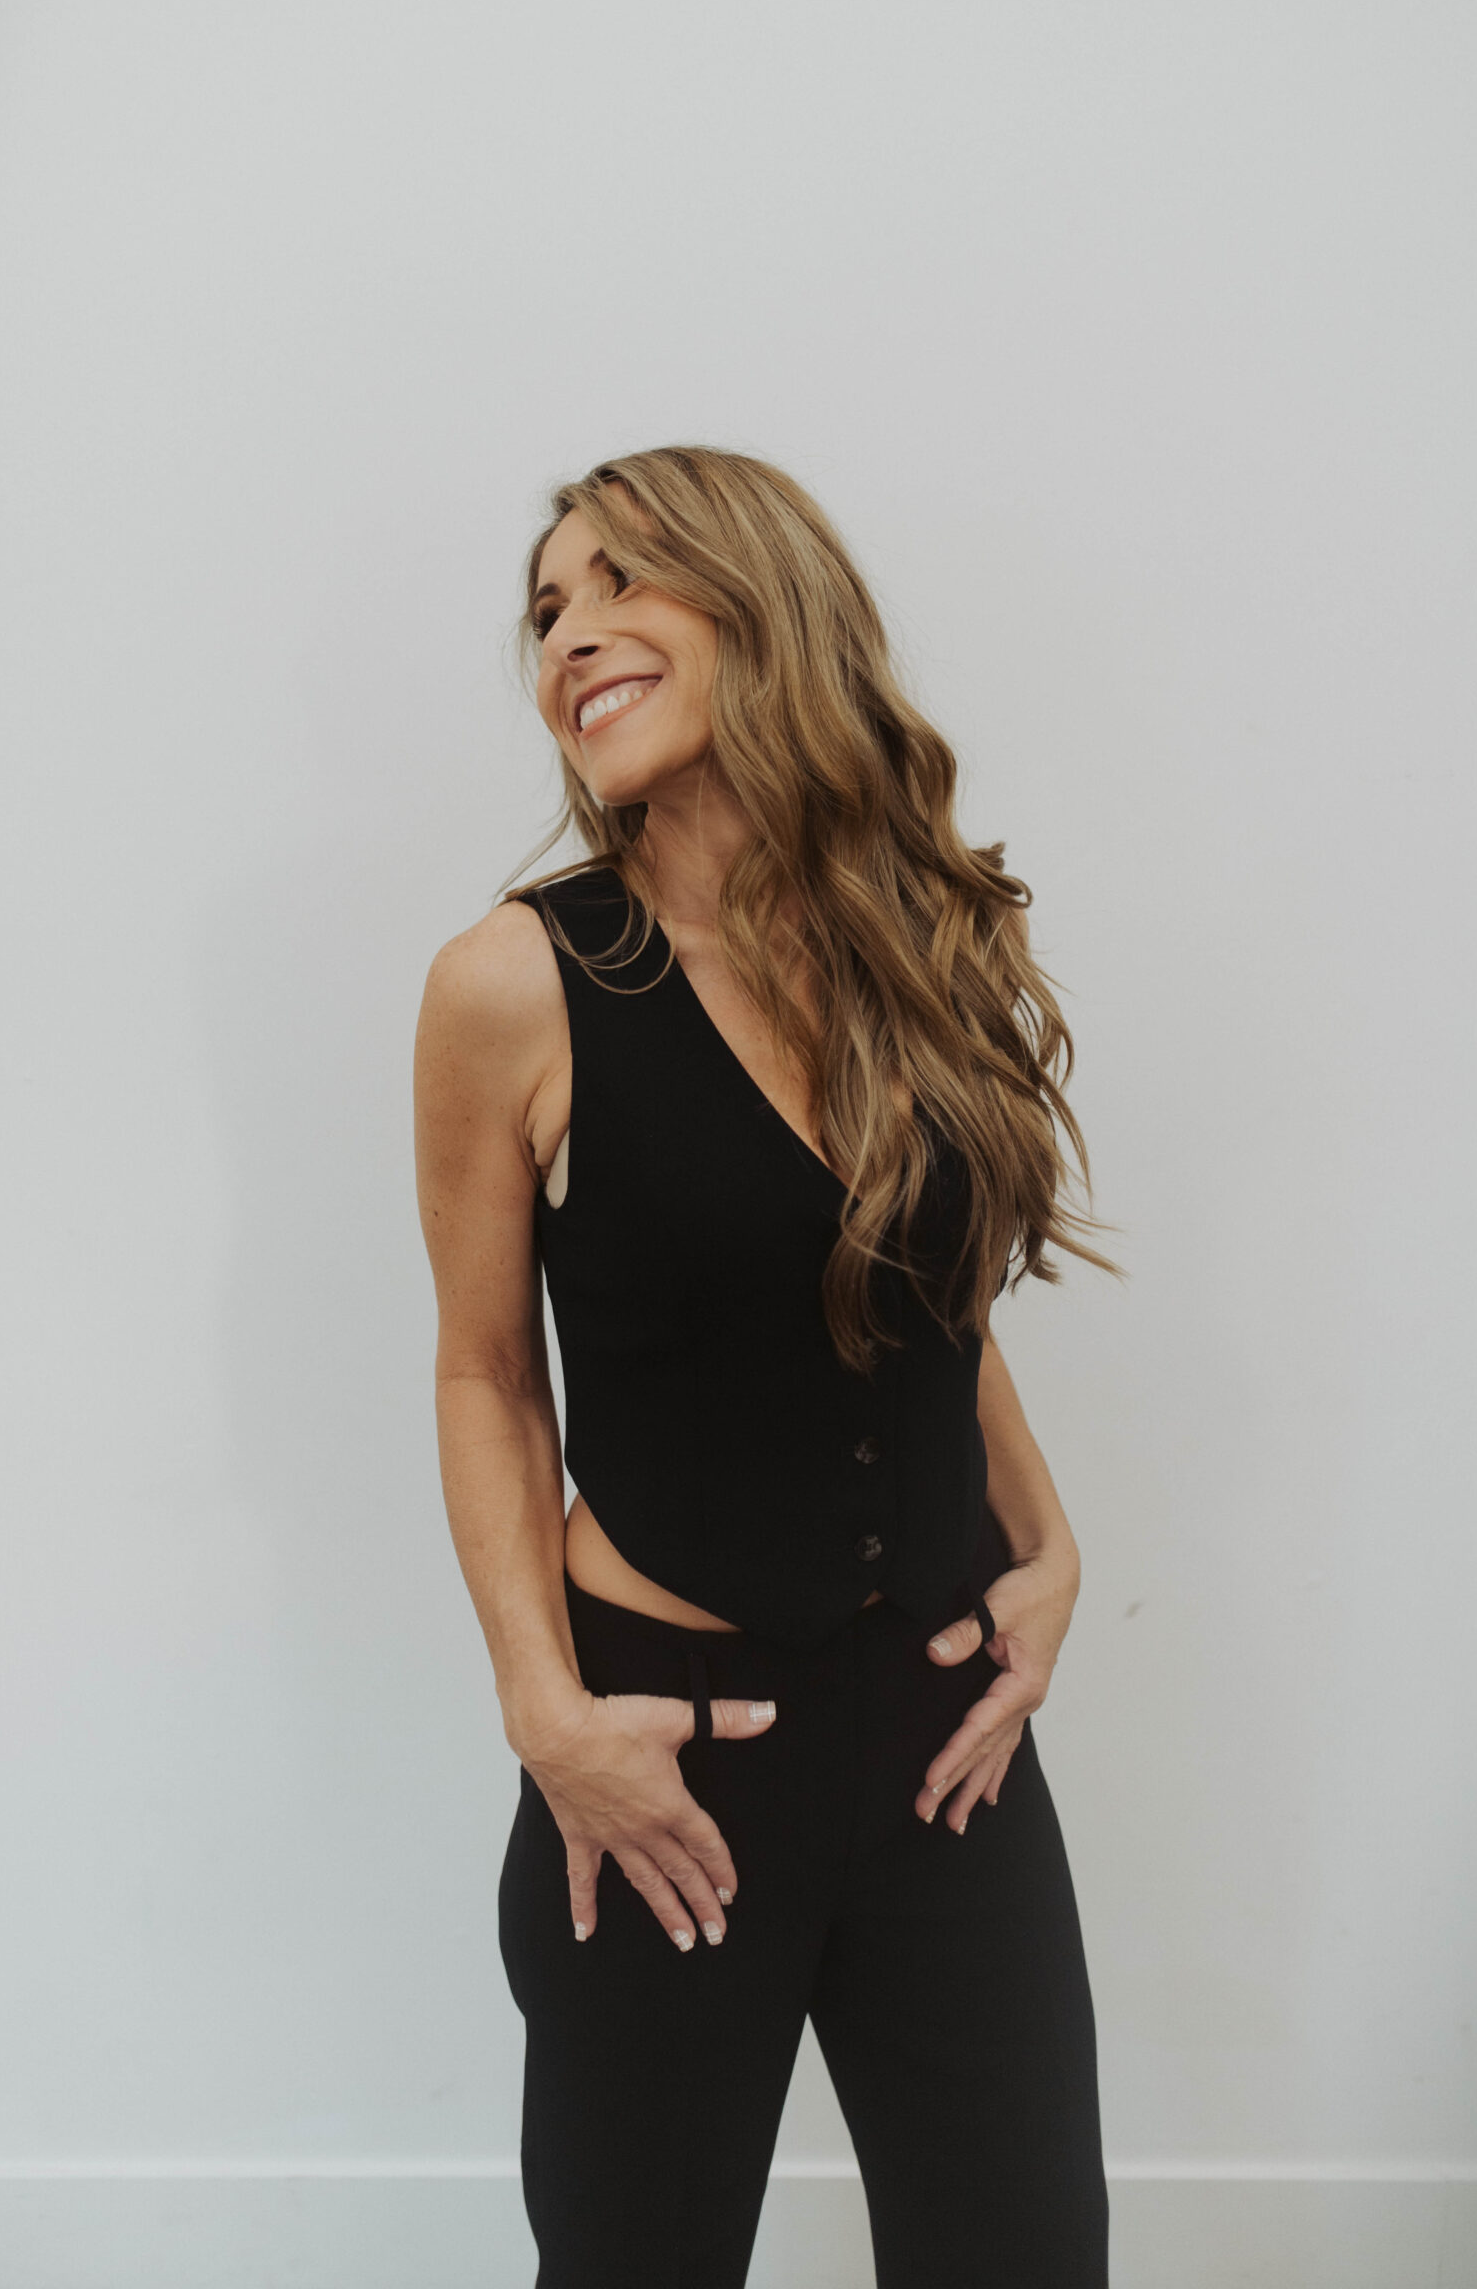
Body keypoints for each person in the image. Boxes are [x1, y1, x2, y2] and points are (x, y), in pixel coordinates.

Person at [413, 445, 1118, 2288]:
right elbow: (485, 1376)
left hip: (947, 1746)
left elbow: (935, 1304)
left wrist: (1049, 1546)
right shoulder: (518, 982)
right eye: (546, 612)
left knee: (1027, 2257)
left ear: (762, 598)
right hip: (667, 1763)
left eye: (619, 582)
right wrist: (548, 1719)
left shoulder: (921, 944)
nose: (569, 638)